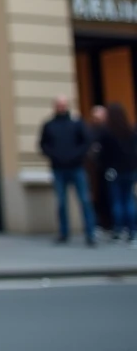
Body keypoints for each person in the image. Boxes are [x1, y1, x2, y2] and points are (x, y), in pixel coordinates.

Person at [39, 96, 96, 247]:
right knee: (61, 203)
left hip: (77, 167)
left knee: (84, 200)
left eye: (63, 105)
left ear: (67, 106)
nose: (61, 107)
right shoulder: (49, 125)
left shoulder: (77, 123)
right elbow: (43, 145)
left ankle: (90, 233)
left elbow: (86, 142)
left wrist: (76, 156)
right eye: (59, 105)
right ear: (55, 107)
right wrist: (54, 156)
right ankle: (63, 233)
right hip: (58, 169)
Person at [96, 104, 137, 246]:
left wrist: (105, 166)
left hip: (114, 171)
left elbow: (103, 154)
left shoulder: (107, 132)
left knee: (117, 202)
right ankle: (132, 232)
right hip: (130, 170)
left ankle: (119, 230)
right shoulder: (131, 130)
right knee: (129, 201)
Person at [88, 105, 113, 238]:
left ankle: (112, 224)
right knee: (97, 197)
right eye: (95, 117)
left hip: (110, 169)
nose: (97, 119)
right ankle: (100, 224)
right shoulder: (90, 130)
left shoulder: (112, 130)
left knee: (113, 197)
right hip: (95, 171)